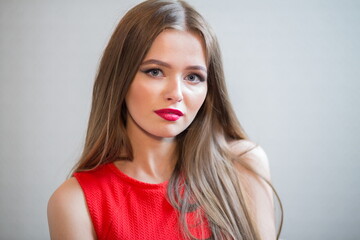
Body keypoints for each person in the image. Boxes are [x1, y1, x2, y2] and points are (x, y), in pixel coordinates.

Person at [47, 0, 283, 239]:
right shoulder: (75, 203)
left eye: (193, 76)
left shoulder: (244, 166)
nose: (176, 93)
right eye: (155, 72)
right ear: (120, 78)